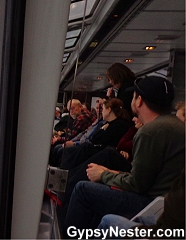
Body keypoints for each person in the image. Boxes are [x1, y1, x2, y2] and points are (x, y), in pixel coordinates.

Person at [63, 76, 185, 236]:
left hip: (151, 203)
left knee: (83, 190)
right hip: (166, 204)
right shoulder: (178, 127)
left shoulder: (151, 131)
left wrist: (103, 175)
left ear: (139, 100)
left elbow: (137, 185)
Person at [59, 98, 131, 170]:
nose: (102, 112)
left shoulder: (119, 125)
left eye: (103, 109)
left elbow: (96, 138)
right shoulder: (110, 123)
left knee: (84, 148)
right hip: (101, 151)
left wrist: (102, 129)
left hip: (105, 154)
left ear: (109, 110)